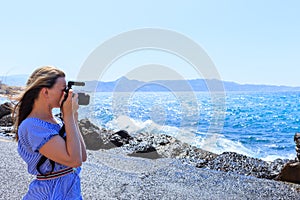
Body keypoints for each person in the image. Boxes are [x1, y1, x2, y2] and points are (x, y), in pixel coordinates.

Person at [13, 66, 87, 199]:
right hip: (49, 194)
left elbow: (82, 156)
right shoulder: (33, 126)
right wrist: (68, 117)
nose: (66, 94)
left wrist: (73, 117)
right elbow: (74, 160)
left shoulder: (56, 123)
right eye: (63, 89)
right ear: (45, 92)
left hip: (69, 192)